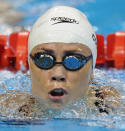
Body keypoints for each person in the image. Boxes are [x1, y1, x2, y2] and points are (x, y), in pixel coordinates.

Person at [0, 6, 121, 118]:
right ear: (30, 68)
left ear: (92, 73)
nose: (58, 74)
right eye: (44, 59)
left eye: (74, 61)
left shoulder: (111, 107)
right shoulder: (10, 108)